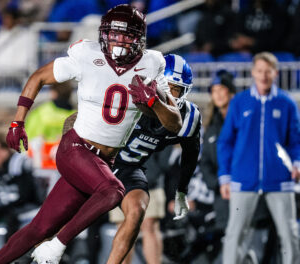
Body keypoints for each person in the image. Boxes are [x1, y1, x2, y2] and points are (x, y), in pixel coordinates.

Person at [0, 4, 183, 263]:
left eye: (126, 35)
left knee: (39, 228)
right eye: (114, 34)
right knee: (113, 191)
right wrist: (17, 122)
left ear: (139, 39)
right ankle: (56, 247)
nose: (118, 41)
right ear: (104, 34)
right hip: (75, 149)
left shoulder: (152, 63)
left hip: (102, 161)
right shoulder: (87, 54)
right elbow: (38, 77)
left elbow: (175, 124)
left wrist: (155, 104)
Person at [107, 54, 201, 264]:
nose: (171, 94)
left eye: (176, 89)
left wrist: (182, 190)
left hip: (146, 171)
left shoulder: (188, 116)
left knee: (148, 223)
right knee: (121, 225)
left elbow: (190, 152)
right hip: (112, 169)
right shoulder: (130, 98)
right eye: (167, 86)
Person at [218, 52, 300, 264]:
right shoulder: (239, 102)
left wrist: (297, 163)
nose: (263, 76)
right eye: (260, 71)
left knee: (290, 234)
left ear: (276, 73)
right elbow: (225, 141)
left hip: (280, 181)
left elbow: (296, 141)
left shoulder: (287, 103)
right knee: (234, 234)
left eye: (268, 71)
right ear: (253, 72)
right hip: (242, 180)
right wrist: (225, 176)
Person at [0, 136, 41, 241]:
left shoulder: (18, 165)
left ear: (7, 150)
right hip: (0, 208)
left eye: (0, 149)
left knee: (11, 218)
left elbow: (25, 196)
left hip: (23, 208)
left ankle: (9, 254)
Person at [200, 70, 235, 239]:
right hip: (221, 195)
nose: (218, 94)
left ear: (231, 91)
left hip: (243, 189)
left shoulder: (243, 121)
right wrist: (215, 183)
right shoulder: (211, 126)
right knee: (227, 238)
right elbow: (205, 160)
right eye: (214, 90)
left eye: (222, 89)